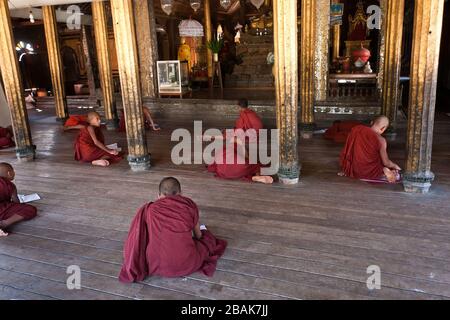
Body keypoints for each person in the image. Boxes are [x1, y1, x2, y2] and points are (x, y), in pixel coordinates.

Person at [119, 177, 227, 282]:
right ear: (180, 193)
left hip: (155, 264)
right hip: (186, 263)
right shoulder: (188, 205)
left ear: (158, 195)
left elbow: (142, 237)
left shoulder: (150, 209)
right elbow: (198, 235)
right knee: (207, 240)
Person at [207, 99, 273, 184]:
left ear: (238, 106)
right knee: (255, 165)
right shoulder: (251, 113)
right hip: (256, 134)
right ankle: (256, 176)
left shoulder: (223, 150)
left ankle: (211, 136)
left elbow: (240, 128)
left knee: (229, 133)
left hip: (224, 170)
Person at [339, 116, 401, 183]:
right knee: (385, 166)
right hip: (370, 172)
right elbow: (386, 162)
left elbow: (349, 150)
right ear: (383, 128)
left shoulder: (357, 129)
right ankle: (383, 170)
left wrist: (346, 168)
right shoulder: (381, 140)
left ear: (371, 122)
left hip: (354, 169)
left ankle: (383, 170)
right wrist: (395, 165)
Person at [0, 163, 37, 237]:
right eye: (13, 171)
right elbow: (16, 202)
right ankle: (4, 223)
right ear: (9, 173)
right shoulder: (11, 185)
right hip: (1, 210)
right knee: (30, 209)